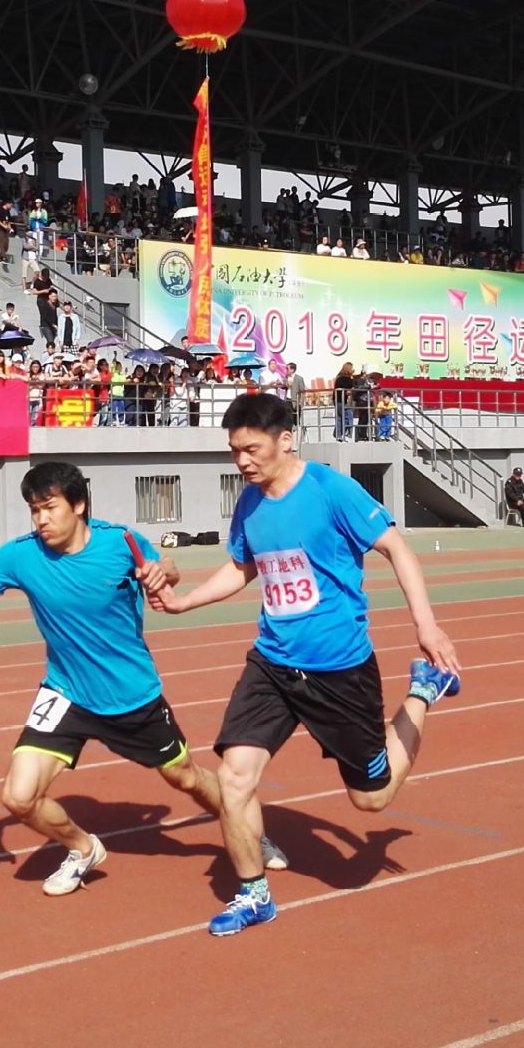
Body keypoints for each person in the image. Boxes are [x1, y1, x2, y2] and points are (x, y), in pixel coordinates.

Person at [142, 393, 461, 937]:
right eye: (234, 451)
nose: (242, 461)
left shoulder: (331, 490)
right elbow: (243, 567)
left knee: (371, 798)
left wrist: (426, 626)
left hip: (339, 669)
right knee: (235, 777)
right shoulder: (249, 502)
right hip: (272, 664)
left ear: (285, 440)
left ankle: (423, 691)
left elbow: (397, 549)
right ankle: (254, 895)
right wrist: (185, 601)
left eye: (251, 449)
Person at [0, 462, 284, 896]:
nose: (41, 519)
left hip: (132, 697)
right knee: (18, 797)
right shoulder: (19, 556)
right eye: (34, 510)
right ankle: (83, 848)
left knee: (184, 777)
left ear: (78, 505)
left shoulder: (120, 542)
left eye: (49, 507)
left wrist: (165, 572)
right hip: (65, 693)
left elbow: (166, 568)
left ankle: (250, 830)